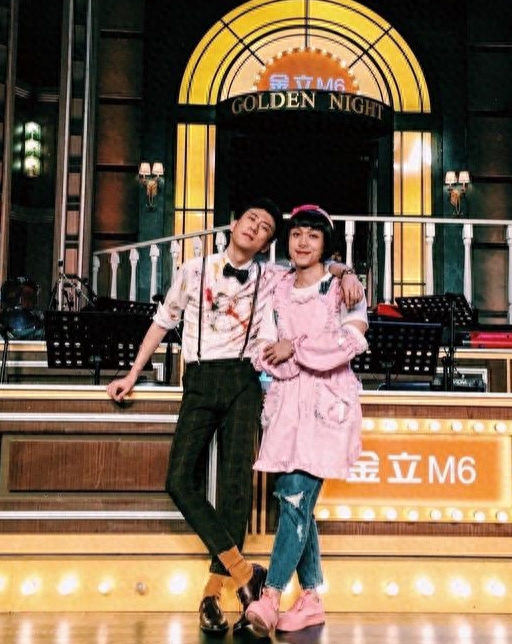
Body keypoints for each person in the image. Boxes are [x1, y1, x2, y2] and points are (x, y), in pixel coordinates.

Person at [106, 198, 364, 634]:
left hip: (244, 382)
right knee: (178, 480)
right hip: (200, 378)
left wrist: (344, 270)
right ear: (233, 224)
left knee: (235, 491)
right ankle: (246, 574)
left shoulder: (272, 277)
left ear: (266, 244)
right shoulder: (193, 269)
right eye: (251, 220)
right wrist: (133, 373)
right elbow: (163, 320)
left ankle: (215, 593)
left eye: (265, 227)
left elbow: (321, 273)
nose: (256, 228)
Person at [245, 204, 368, 637]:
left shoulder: (345, 289)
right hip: (286, 405)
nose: (302, 242)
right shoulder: (277, 286)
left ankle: (271, 596)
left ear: (325, 245)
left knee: (297, 497)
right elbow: (263, 347)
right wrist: (284, 355)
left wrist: (294, 349)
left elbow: (351, 340)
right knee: (293, 499)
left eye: (313, 236)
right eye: (297, 234)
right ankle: (312, 597)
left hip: (327, 407)